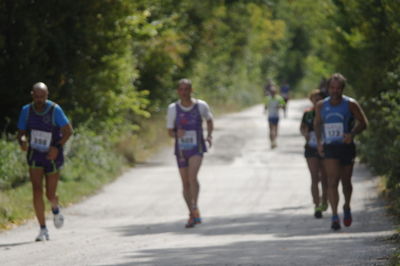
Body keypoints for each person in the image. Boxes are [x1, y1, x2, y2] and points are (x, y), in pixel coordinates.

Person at [17, 82, 73, 241]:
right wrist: (22, 142)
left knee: (50, 193)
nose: (40, 100)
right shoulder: (26, 111)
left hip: (52, 156)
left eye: (42, 96)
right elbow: (21, 133)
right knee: (36, 190)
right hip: (35, 155)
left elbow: (68, 131)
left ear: (47, 95)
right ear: (32, 95)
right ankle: (43, 229)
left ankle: (55, 208)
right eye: (37, 96)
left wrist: (57, 147)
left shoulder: (55, 110)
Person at [314, 73, 368, 230]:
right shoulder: (321, 105)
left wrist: (351, 134)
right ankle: (334, 215)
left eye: (338, 88)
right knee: (332, 181)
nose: (335, 91)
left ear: (342, 89)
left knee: (346, 182)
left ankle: (347, 206)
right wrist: (319, 142)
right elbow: (317, 124)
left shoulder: (351, 104)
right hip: (330, 146)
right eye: (332, 88)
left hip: (346, 147)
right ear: (328, 88)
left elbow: (363, 123)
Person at [166, 79, 213, 228]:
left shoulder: (201, 106)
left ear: (191, 90)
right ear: (178, 91)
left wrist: (209, 135)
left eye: (187, 89)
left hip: (197, 147)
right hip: (181, 150)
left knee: (193, 177)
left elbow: (209, 120)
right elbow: (169, 132)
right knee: (185, 183)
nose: (184, 92)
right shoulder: (173, 108)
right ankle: (192, 213)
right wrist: (176, 133)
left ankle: (194, 206)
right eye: (181, 89)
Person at [300, 90, 328, 218]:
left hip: (326, 147)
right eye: (314, 99)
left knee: (325, 177)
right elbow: (302, 127)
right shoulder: (308, 113)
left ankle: (324, 200)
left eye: (319, 99)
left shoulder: (328, 111)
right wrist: (305, 133)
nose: (316, 101)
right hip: (311, 147)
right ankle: (317, 205)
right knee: (314, 177)